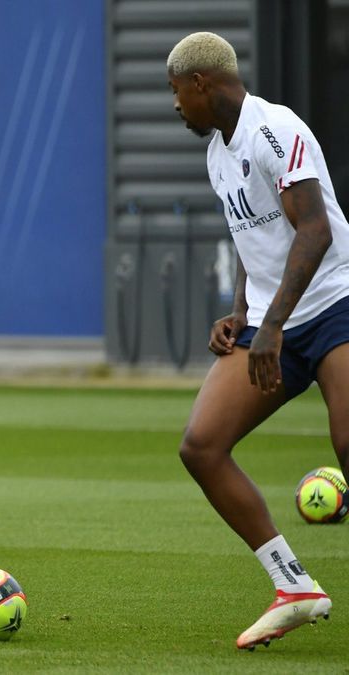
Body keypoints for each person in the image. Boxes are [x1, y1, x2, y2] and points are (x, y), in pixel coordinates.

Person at [169, 32, 340, 650]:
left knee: (348, 440)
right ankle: (294, 586)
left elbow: (314, 231)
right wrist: (240, 311)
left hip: (335, 304)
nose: (174, 107)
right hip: (271, 322)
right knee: (201, 447)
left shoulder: (276, 129)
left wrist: (269, 327)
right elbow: (253, 235)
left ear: (201, 85)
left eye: (175, 93)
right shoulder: (217, 151)